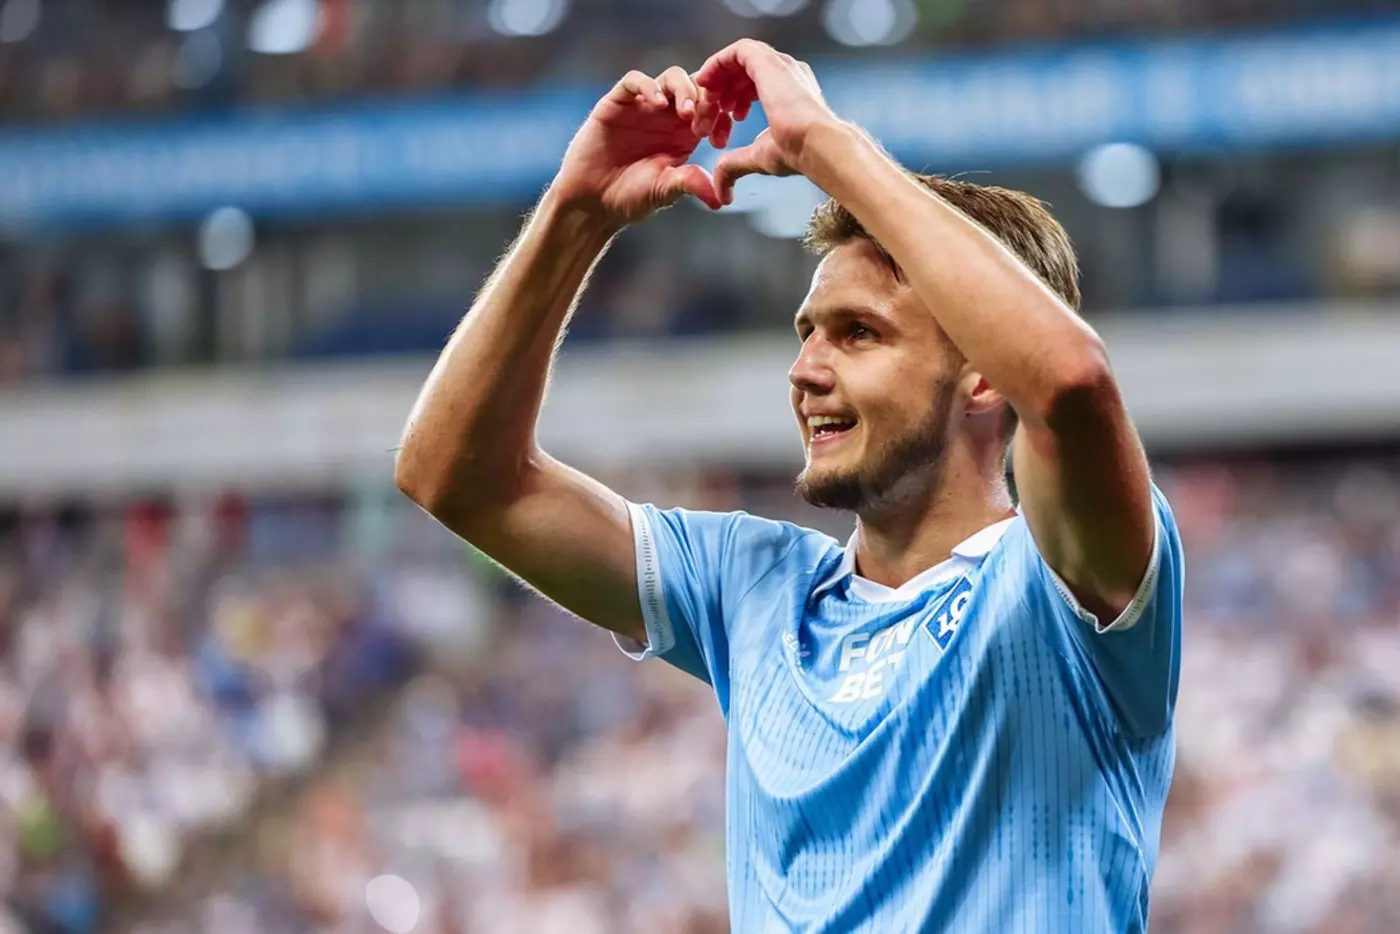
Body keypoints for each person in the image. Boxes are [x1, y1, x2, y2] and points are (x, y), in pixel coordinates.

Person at [395, 39, 1184, 934]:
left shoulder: (1067, 590)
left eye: (858, 333)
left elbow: (1070, 383)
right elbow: (455, 475)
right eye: (806, 332)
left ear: (982, 376)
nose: (805, 370)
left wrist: (825, 147)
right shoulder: (752, 587)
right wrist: (574, 214)